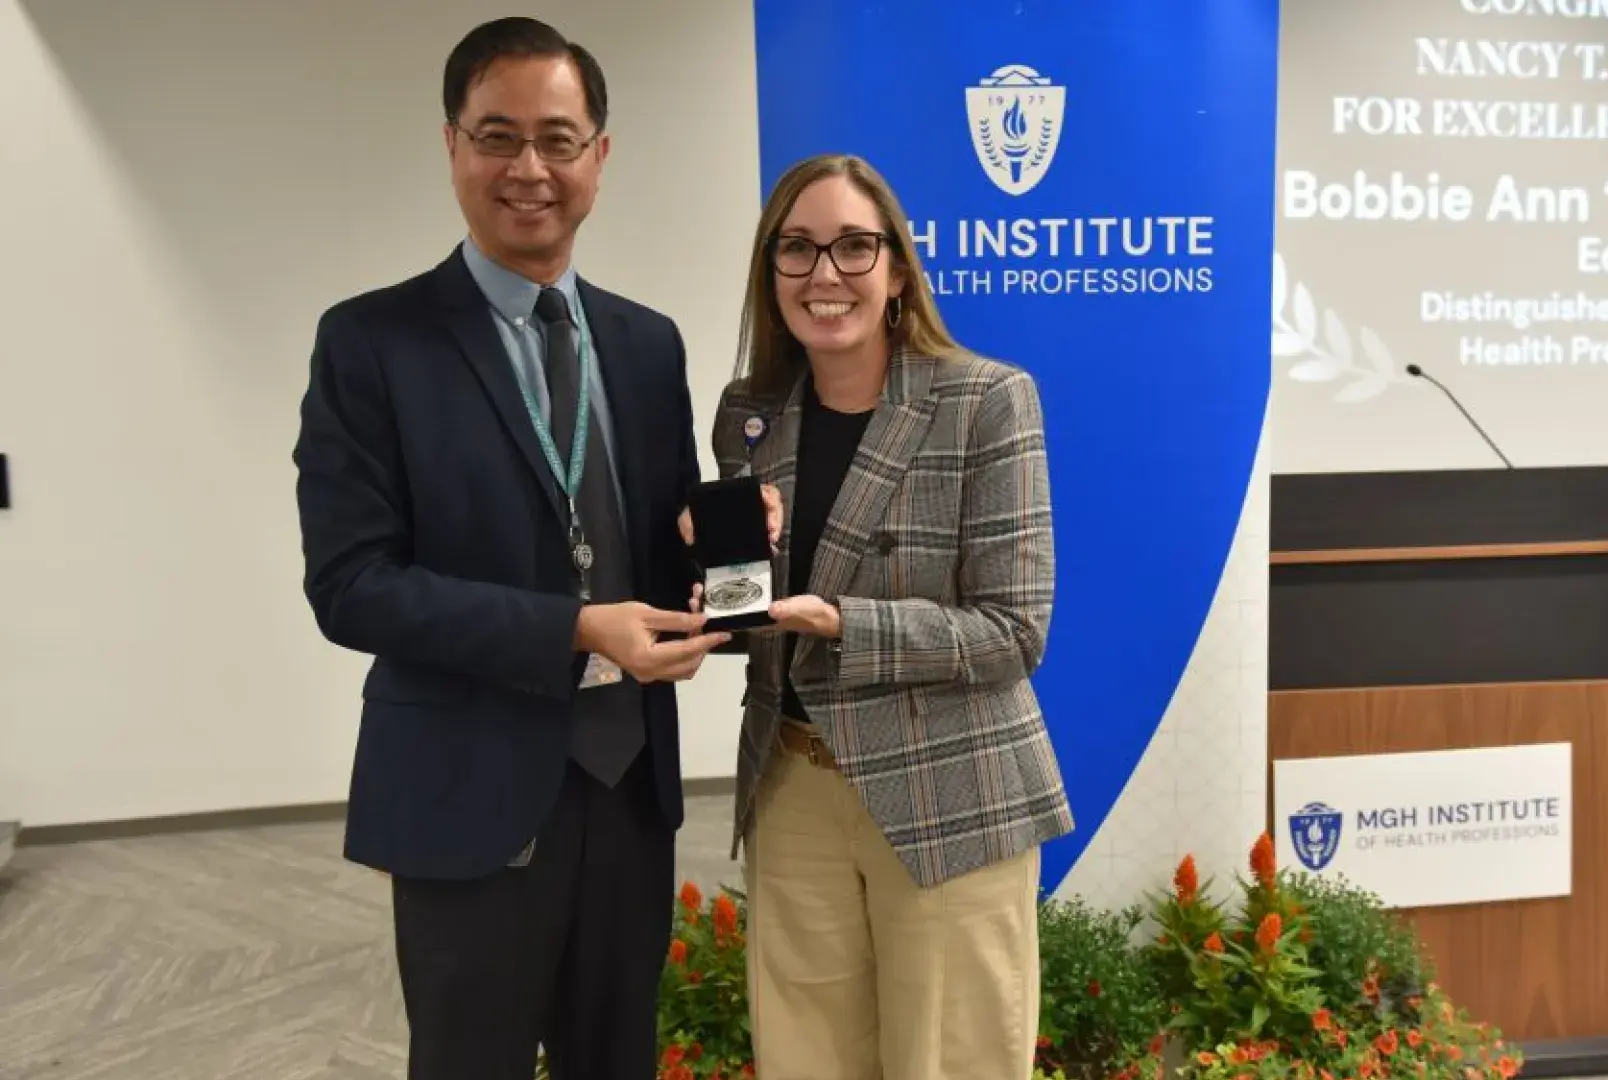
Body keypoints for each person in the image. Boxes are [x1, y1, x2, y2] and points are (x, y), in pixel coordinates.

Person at [291, 18, 762, 1079]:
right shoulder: (372, 342)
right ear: (453, 144)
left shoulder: (646, 344)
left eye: (558, 138)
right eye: (497, 136)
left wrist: (722, 558)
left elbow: (644, 554)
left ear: (600, 154)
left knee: (616, 1060)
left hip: (626, 787)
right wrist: (571, 629)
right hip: (468, 793)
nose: (529, 168)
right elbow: (352, 585)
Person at [708, 152, 1076, 1080]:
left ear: (899, 270)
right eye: (796, 248)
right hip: (792, 787)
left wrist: (843, 624)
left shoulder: (986, 400)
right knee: (805, 1061)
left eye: (852, 247)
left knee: (950, 1063)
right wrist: (701, 572)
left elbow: (1013, 631)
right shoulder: (748, 414)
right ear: (770, 270)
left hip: (947, 792)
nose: (823, 273)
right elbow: (748, 604)